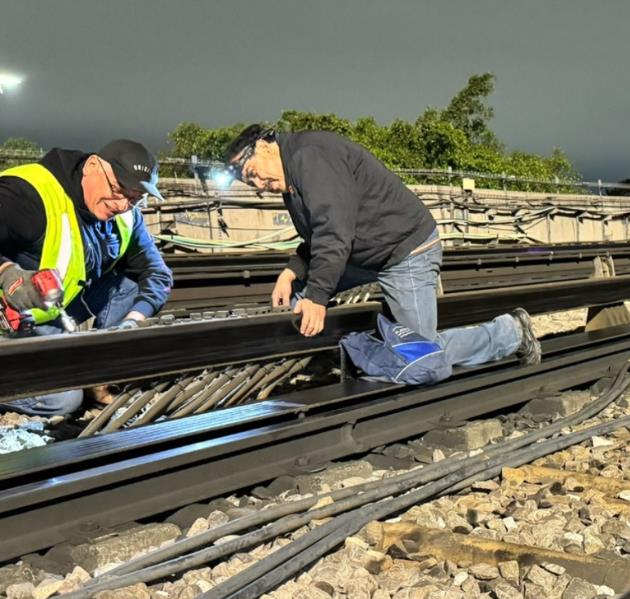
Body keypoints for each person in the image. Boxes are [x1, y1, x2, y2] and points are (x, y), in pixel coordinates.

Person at [223, 125, 540, 386]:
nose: (258, 186)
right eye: (249, 182)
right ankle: (337, 352)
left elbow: (333, 233)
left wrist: (318, 296)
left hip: (405, 251)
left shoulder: (311, 158)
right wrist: (292, 272)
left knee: (422, 357)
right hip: (364, 253)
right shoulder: (292, 175)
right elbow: (321, 234)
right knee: (295, 297)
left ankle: (510, 332)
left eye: (253, 174)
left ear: (265, 145)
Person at [0, 140, 173, 416]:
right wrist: (7, 273)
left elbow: (157, 273)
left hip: (48, 318)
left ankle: (99, 373)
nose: (122, 205)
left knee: (128, 287)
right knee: (63, 400)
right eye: (118, 191)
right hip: (7, 323)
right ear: (93, 167)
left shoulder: (127, 215)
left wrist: (133, 321)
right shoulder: (27, 194)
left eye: (134, 198)